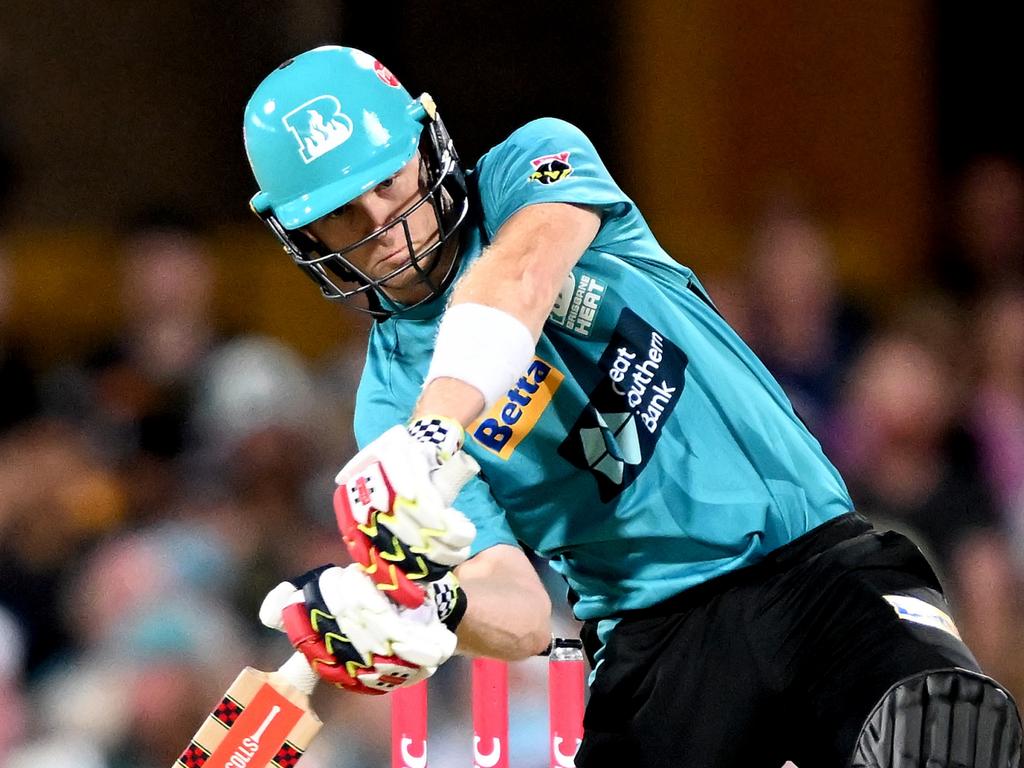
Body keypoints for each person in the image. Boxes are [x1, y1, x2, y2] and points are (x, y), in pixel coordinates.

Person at [241, 46, 1021, 767]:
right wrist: (435, 607)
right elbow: (516, 612)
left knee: (943, 729)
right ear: (302, 233)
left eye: (387, 180)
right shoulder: (385, 408)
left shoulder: (531, 166)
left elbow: (517, 278)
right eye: (344, 210)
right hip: (654, 646)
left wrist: (435, 432)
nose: (382, 222)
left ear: (426, 143)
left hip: (812, 565)